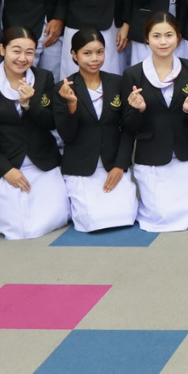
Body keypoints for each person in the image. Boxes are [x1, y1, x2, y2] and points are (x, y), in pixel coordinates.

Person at [0, 26, 68, 241]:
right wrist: (5, 170)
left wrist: (29, 104)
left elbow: (51, 122)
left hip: (42, 161)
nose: (22, 58)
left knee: (54, 216)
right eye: (16, 51)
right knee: (15, 225)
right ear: (2, 49)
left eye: (29, 52)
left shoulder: (43, 78)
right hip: (5, 163)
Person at [121, 11, 188, 233]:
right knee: (162, 216)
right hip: (153, 155)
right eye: (156, 36)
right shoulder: (133, 75)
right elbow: (129, 125)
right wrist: (139, 110)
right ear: (146, 38)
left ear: (178, 37)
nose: (163, 42)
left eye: (169, 35)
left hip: (187, 152)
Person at [53, 29, 138, 233]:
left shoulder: (118, 83)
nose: (94, 59)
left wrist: (120, 165)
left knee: (126, 214)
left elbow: (128, 129)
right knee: (92, 220)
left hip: (112, 162)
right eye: (87, 53)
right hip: (81, 165)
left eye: (100, 52)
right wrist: (71, 105)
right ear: (74, 55)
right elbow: (67, 136)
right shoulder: (62, 89)